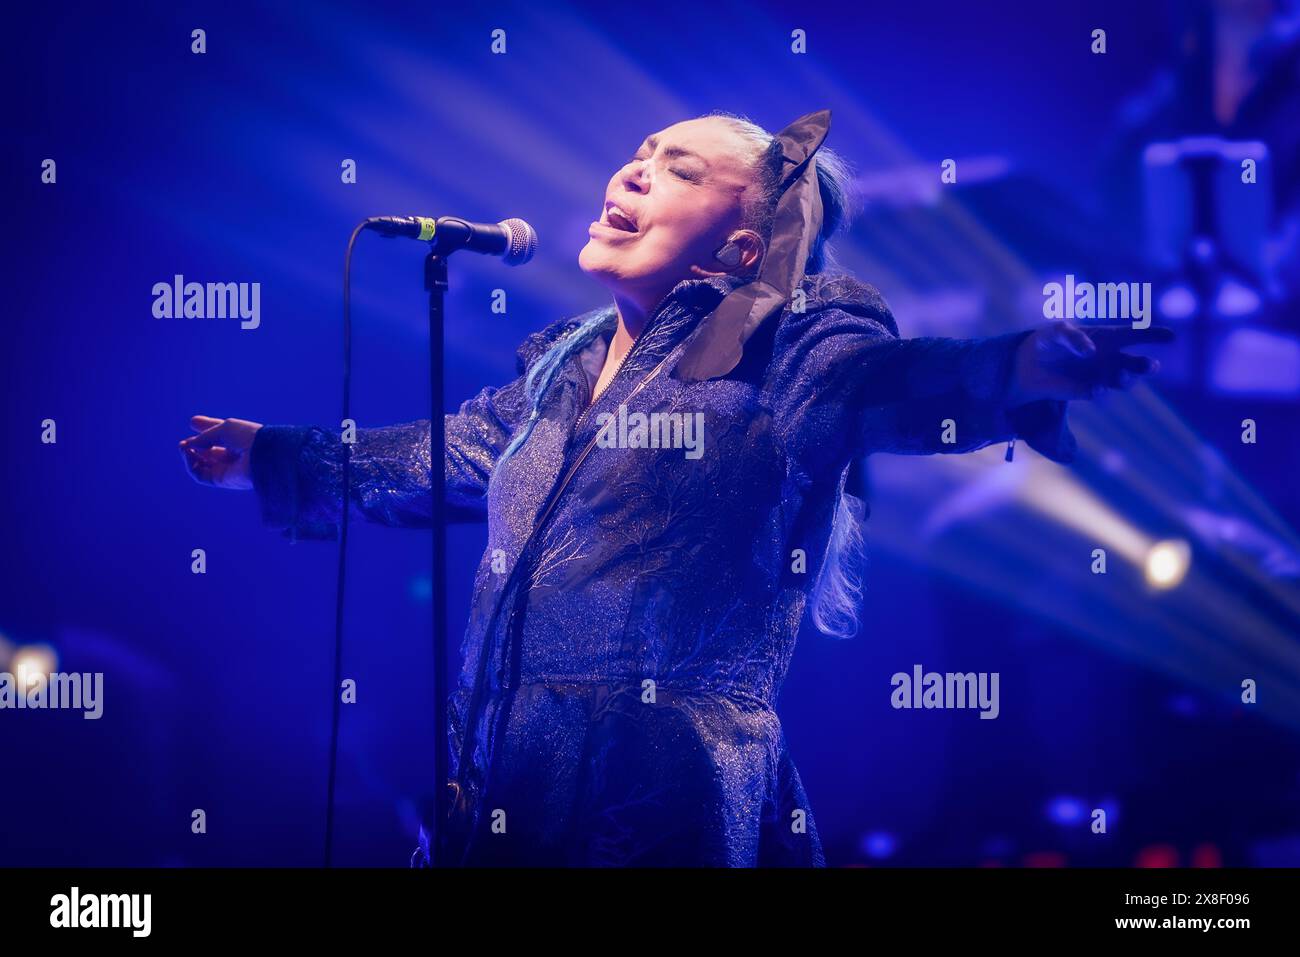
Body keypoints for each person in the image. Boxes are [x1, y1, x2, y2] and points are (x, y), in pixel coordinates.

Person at [179, 110, 1166, 866]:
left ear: (741, 248)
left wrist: (1012, 370)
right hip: (500, 783)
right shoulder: (557, 369)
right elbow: (438, 453)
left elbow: (880, 387)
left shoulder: (789, 341)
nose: (635, 169)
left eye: (679, 169)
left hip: (662, 795)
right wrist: (278, 454)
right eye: (640, 153)